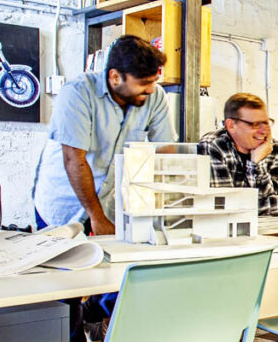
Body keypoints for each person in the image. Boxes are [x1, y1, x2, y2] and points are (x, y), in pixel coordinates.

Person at [33, 35, 175, 234]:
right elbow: (74, 159)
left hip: (109, 204)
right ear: (115, 77)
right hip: (64, 205)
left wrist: (171, 204)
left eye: (153, 81)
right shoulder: (77, 93)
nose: (150, 89)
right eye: (143, 83)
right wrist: (96, 217)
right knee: (62, 263)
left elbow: (165, 150)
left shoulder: (155, 97)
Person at [198, 93, 278, 217]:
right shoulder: (214, 145)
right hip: (224, 231)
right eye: (255, 124)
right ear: (231, 126)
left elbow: (271, 214)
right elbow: (224, 208)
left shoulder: (275, 149)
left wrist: (257, 163)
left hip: (265, 231)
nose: (263, 131)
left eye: (266, 123)